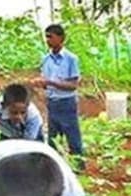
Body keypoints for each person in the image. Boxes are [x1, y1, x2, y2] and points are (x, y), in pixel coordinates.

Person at [31, 24, 84, 170]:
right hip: (52, 102)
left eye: (50, 37)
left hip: (67, 102)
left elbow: (73, 85)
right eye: (46, 36)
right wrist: (40, 83)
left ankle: (79, 167)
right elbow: (47, 83)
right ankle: (54, 168)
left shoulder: (71, 59)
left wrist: (49, 82)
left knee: (72, 136)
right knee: (52, 138)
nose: (47, 40)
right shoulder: (45, 59)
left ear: (61, 38)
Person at [0, 83, 44, 153]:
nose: (19, 117)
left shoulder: (33, 117)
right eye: (14, 113)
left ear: (28, 107)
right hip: (8, 133)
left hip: (31, 138)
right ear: (4, 106)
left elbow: (26, 146)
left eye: (23, 113)